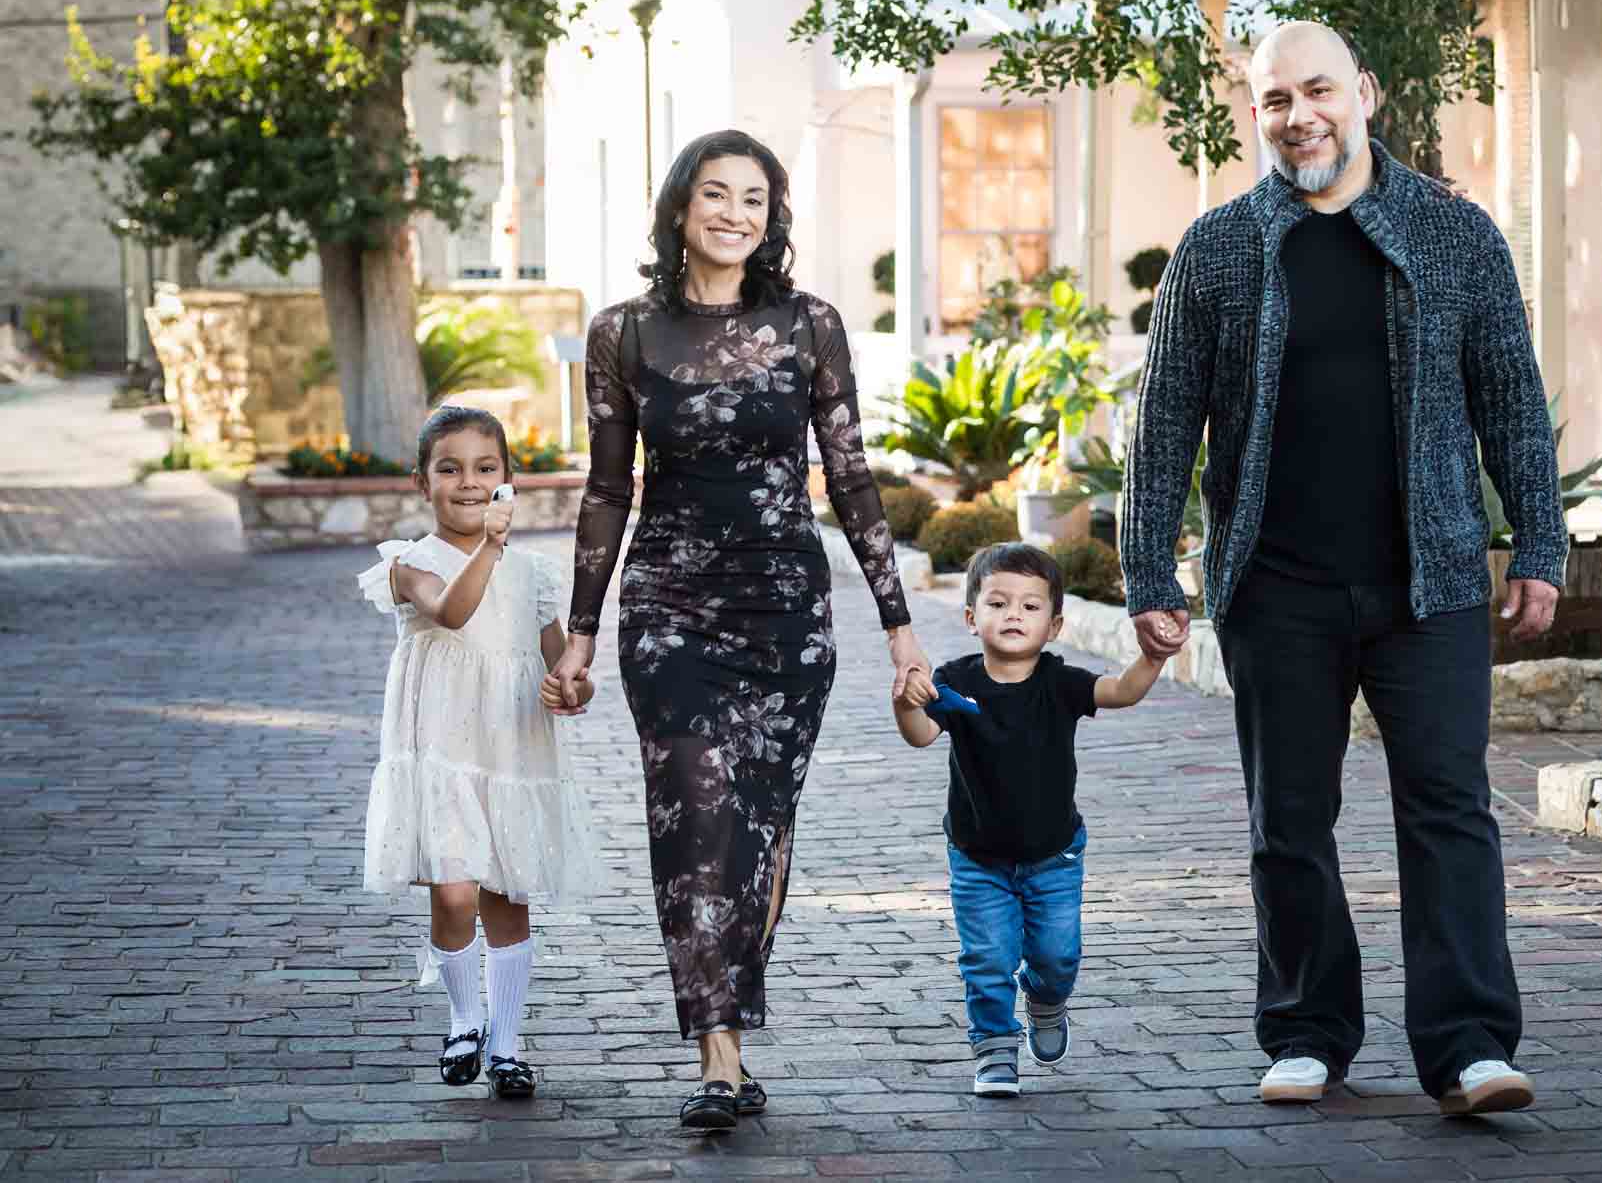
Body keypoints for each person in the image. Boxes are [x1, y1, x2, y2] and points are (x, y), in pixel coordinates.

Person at [1118, 21, 1567, 1116]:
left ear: (1363, 92)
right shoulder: (1218, 247)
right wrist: (1147, 571)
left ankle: (1467, 1045)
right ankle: (1307, 1029)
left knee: (1449, 809)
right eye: (1274, 99)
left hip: (1434, 582)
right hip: (1278, 588)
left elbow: (1509, 397)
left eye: (1316, 90)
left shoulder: (1453, 233)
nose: (1297, 115)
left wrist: (1540, 543)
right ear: (1255, 113)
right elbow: (1163, 421)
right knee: (1288, 819)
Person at [548, 129, 928, 1133]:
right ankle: (719, 1052)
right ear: (679, 207)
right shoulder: (623, 333)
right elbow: (604, 490)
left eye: (752, 200)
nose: (733, 213)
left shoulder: (809, 324)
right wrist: (578, 632)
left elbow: (848, 477)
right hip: (668, 606)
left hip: (784, 611)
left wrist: (897, 625)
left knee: (756, 828)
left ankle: (733, 1022)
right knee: (695, 817)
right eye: (714, 195)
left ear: (772, 218)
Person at [357, 405, 608, 1101]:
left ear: (507, 480)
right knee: (454, 886)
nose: (468, 482)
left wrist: (570, 683)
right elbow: (453, 612)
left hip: (510, 748)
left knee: (505, 890)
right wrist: (489, 548)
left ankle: (507, 1041)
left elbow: (555, 655)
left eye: (485, 468)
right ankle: (464, 1017)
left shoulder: (531, 572)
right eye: (450, 468)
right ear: (421, 481)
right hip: (441, 750)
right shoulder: (410, 564)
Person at [892, 542, 1173, 1097]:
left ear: (1055, 622)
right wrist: (906, 702)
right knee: (987, 958)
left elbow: (1121, 692)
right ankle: (995, 1049)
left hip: (1054, 855)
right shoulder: (956, 682)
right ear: (973, 618)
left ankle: (1047, 1001)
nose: (1013, 615)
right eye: (998, 603)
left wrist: (1154, 657)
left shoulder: (1059, 682)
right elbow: (921, 734)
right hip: (978, 858)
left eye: (1029, 606)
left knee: (1057, 954)